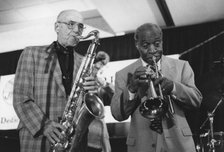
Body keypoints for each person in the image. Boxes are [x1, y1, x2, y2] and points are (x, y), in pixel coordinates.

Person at [13, 9, 100, 152]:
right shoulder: (31, 53)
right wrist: (44, 125)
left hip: (73, 142)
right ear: (57, 27)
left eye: (80, 26)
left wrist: (91, 93)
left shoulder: (84, 62)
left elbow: (84, 105)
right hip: (38, 139)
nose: (77, 30)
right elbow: (20, 97)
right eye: (71, 24)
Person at [110, 23, 203, 152]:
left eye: (157, 44)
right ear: (137, 45)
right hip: (142, 145)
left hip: (179, 144)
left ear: (162, 42)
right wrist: (131, 88)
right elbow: (117, 114)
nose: (152, 50)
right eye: (145, 45)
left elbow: (197, 100)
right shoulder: (123, 74)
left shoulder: (182, 66)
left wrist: (174, 87)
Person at [87, 51, 113, 152]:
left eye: (103, 65)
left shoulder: (99, 81)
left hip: (97, 124)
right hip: (86, 124)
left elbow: (113, 96)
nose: (100, 68)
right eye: (101, 64)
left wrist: (106, 84)